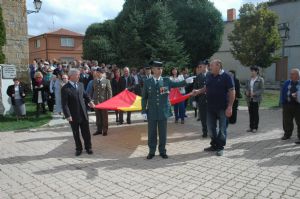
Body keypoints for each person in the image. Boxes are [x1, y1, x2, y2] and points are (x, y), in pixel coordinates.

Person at [142, 61, 194, 159]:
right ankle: (151, 151)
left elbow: (176, 84)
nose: (160, 70)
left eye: (161, 68)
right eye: (158, 68)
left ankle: (162, 151)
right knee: (151, 133)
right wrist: (143, 111)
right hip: (152, 111)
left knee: (163, 133)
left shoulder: (166, 80)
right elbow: (144, 98)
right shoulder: (147, 82)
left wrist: (186, 81)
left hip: (163, 111)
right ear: (153, 69)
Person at [192, 59, 235, 156]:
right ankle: (214, 144)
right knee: (210, 128)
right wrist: (198, 91)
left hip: (223, 107)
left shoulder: (227, 76)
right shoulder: (209, 76)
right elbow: (206, 88)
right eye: (210, 65)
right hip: (210, 107)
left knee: (222, 128)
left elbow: (232, 92)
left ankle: (220, 147)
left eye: (211, 65)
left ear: (218, 66)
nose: (209, 67)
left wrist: (230, 107)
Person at [61, 69, 95, 156]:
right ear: (71, 76)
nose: (79, 76)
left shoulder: (80, 85)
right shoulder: (65, 88)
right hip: (73, 115)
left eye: (79, 75)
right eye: (77, 75)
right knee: (76, 133)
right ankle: (78, 149)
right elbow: (64, 104)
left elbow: (85, 95)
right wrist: (67, 115)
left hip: (83, 113)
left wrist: (90, 101)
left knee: (86, 132)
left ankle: (88, 147)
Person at [280, 68, 300, 143]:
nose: (290, 75)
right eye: (290, 74)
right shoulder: (287, 82)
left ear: (298, 75)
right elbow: (282, 92)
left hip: (298, 106)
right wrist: (283, 102)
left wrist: (297, 95)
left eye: (292, 74)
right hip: (287, 104)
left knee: (299, 121)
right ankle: (287, 134)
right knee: (286, 121)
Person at [91, 68, 112, 136]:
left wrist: (109, 101)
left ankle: (105, 130)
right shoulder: (94, 81)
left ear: (102, 73)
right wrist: (91, 100)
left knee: (104, 117)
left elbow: (109, 91)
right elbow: (93, 91)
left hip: (104, 102)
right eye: (97, 72)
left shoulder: (106, 81)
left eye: (99, 73)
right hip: (96, 101)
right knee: (98, 116)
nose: (98, 74)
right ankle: (99, 130)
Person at [244, 66, 264, 133]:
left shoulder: (260, 79)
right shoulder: (249, 80)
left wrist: (255, 93)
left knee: (255, 113)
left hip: (256, 99)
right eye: (251, 71)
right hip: (249, 99)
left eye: (253, 71)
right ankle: (251, 127)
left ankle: (255, 127)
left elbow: (261, 89)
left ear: (257, 71)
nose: (252, 72)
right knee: (251, 113)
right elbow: (246, 87)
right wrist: (246, 91)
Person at [193, 60, 209, 137]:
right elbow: (195, 88)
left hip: (211, 100)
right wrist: (195, 100)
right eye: (199, 67)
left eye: (201, 66)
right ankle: (205, 131)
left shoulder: (211, 75)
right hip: (201, 99)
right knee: (203, 117)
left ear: (205, 66)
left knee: (211, 116)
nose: (199, 68)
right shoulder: (198, 77)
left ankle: (212, 131)